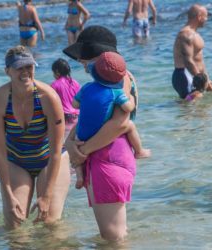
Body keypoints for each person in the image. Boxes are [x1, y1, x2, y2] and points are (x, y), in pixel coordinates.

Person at [63, 25, 143, 241]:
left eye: (85, 56)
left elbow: (120, 123)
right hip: (104, 155)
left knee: (113, 236)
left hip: (108, 156)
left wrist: (84, 149)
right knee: (113, 234)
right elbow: (91, 118)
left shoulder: (120, 77)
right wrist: (71, 144)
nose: (81, 62)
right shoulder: (107, 79)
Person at [0, 45, 70, 229]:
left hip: (49, 160)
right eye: (19, 67)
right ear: (7, 71)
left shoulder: (48, 97)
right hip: (17, 161)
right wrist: (8, 193)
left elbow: (56, 151)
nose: (25, 72)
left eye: (29, 67)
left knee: (49, 225)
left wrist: (46, 196)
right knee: (14, 226)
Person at [71, 51, 151, 189]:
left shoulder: (86, 87)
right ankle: (139, 151)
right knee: (130, 125)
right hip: (99, 135)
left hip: (82, 135)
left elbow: (75, 105)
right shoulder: (116, 92)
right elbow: (128, 108)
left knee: (76, 150)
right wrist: (131, 97)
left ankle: (79, 176)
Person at [172, 4, 212, 99]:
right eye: (205, 16)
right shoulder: (186, 35)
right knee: (189, 106)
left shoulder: (194, 34)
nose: (207, 19)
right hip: (185, 75)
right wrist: (202, 81)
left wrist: (207, 79)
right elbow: (188, 61)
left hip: (195, 76)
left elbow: (199, 60)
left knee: (198, 108)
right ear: (199, 17)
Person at [50, 58, 80, 138]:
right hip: (78, 117)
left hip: (65, 118)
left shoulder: (54, 85)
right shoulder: (75, 83)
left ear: (57, 71)